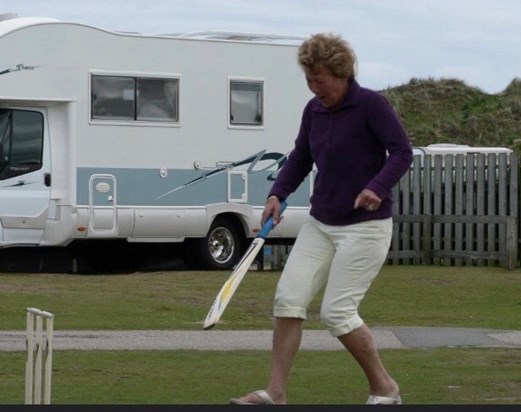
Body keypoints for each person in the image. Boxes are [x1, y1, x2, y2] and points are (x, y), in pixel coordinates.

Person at [230, 33, 413, 405]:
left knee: (337, 312)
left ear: (342, 74)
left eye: (321, 80)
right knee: (288, 300)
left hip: (366, 226)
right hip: (321, 222)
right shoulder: (314, 110)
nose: (315, 88)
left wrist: (376, 186)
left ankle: (385, 388)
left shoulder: (371, 105)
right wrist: (277, 194)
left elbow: (402, 152)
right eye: (309, 80)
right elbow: (300, 157)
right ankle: (275, 393)